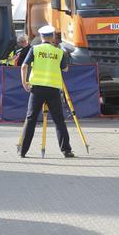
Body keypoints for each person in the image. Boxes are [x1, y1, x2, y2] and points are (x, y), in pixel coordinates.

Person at [20, 25, 74, 158]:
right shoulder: (59, 52)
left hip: (37, 89)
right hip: (53, 89)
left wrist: (25, 83)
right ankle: (66, 150)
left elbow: (23, 66)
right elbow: (66, 69)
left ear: (41, 37)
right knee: (58, 120)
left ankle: (23, 151)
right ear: (53, 37)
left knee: (31, 119)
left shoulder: (35, 49)